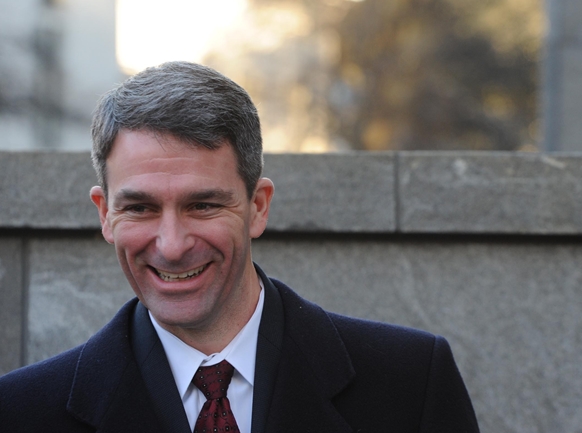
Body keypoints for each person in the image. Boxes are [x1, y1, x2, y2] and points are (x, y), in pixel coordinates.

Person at [0, 61, 479, 432]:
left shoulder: (411, 384)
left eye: (203, 205)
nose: (172, 245)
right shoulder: (20, 413)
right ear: (105, 214)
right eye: (140, 208)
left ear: (258, 207)